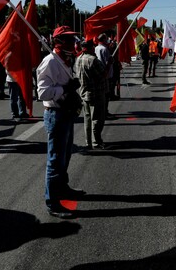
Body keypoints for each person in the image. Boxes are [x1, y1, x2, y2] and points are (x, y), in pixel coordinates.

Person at [37, 26, 85, 219]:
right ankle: (53, 202)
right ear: (58, 41)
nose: (73, 43)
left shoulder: (66, 60)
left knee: (65, 156)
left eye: (73, 39)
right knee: (55, 160)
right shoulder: (50, 62)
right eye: (68, 39)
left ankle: (63, 189)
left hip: (66, 112)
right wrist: (65, 88)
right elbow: (42, 93)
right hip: (55, 114)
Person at [74, 40, 107, 150]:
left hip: (84, 93)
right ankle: (96, 142)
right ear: (90, 48)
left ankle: (88, 142)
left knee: (87, 119)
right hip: (95, 93)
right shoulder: (93, 60)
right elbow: (103, 74)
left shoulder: (78, 59)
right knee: (97, 119)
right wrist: (110, 63)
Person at [95, 33, 114, 119]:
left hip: (98, 73)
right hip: (106, 74)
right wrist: (111, 61)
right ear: (103, 40)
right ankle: (104, 112)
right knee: (106, 95)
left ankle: (102, 111)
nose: (107, 40)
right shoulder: (104, 49)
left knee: (101, 94)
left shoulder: (96, 48)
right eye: (106, 39)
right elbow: (108, 61)